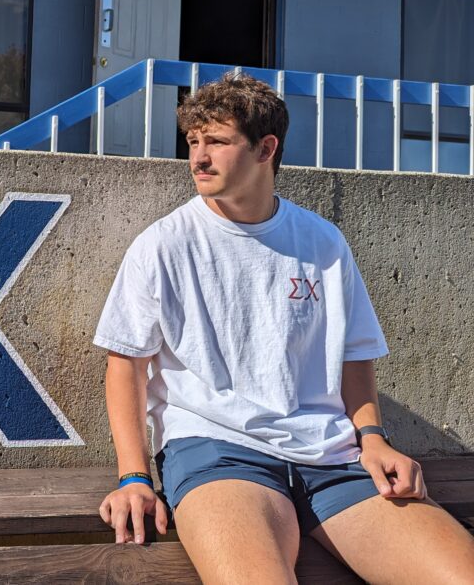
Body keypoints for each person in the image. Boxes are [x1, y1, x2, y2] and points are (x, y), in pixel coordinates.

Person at [93, 72, 474, 583]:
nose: (199, 158)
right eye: (193, 142)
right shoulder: (163, 245)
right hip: (218, 453)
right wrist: (135, 475)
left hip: (331, 457)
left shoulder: (322, 242)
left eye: (218, 142)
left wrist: (374, 440)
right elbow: (126, 367)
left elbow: (352, 354)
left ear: (265, 148)